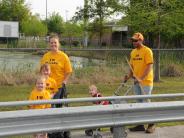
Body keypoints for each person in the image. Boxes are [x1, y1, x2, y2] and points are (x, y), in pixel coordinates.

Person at [40, 34, 72, 138]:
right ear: (49, 44)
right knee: (47, 109)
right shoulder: (46, 56)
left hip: (59, 87)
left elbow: (68, 71)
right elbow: (41, 70)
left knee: (58, 110)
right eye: (51, 42)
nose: (53, 44)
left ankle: (61, 133)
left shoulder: (63, 56)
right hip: (47, 88)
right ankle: (50, 132)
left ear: (58, 44)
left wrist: (64, 82)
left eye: (55, 42)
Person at [124, 32, 155, 133]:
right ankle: (140, 125)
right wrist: (128, 76)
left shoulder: (147, 51)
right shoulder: (133, 52)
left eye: (136, 40)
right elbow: (132, 67)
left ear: (141, 40)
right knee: (138, 103)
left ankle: (151, 125)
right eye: (132, 40)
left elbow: (149, 66)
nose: (133, 42)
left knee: (146, 103)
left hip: (146, 81)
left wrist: (141, 78)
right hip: (136, 82)